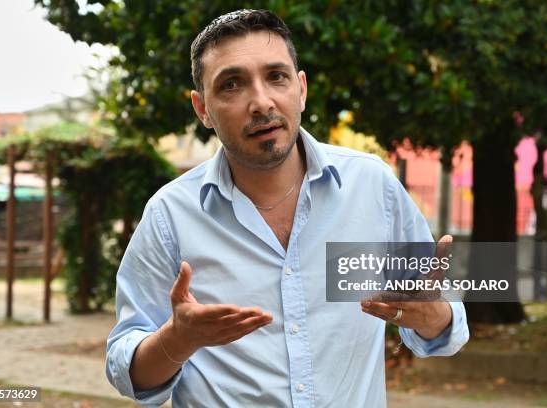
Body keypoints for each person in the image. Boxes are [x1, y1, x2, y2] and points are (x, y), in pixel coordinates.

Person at [106, 9, 469, 407]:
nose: (261, 103)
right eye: (231, 85)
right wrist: (178, 339)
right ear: (202, 109)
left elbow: (441, 325)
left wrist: (433, 315)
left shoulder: (372, 186)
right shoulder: (170, 215)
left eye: (276, 76)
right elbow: (128, 371)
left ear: (301, 88)